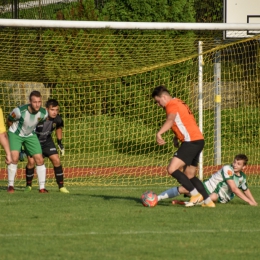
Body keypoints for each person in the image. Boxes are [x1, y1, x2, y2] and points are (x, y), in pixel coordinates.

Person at [152, 85, 215, 207]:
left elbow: (170, 120)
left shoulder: (171, 104)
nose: (158, 105)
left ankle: (195, 195)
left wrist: (159, 133)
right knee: (190, 175)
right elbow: (185, 121)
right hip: (198, 140)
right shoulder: (179, 102)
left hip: (191, 141)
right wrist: (176, 136)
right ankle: (208, 202)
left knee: (172, 169)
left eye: (158, 102)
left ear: (164, 97)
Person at [157, 154, 257, 206]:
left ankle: (184, 202)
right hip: (207, 187)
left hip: (221, 197)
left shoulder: (242, 177)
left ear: (244, 167)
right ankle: (157, 198)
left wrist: (254, 202)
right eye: (235, 162)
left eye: (238, 164)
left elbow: (245, 189)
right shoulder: (228, 169)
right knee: (185, 189)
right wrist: (249, 202)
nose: (235, 165)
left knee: (212, 197)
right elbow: (234, 189)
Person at [23, 99, 69, 193]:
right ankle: (28, 185)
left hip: (47, 141)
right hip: (33, 141)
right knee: (31, 162)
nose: (55, 112)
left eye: (56, 110)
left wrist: (59, 142)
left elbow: (58, 128)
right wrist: (23, 146)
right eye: (52, 109)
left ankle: (61, 186)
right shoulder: (38, 117)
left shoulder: (58, 119)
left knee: (56, 160)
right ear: (47, 109)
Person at [6, 90, 48, 193]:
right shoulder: (19, 111)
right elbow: (9, 120)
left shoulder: (44, 113)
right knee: (14, 158)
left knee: (40, 159)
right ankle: (10, 186)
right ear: (30, 101)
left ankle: (42, 188)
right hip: (15, 134)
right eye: (34, 102)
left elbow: (39, 121)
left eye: (39, 101)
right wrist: (14, 132)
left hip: (30, 135)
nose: (37, 104)